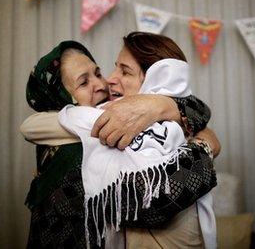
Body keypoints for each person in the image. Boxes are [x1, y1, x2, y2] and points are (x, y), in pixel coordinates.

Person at [22, 40, 218, 248]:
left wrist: (159, 105)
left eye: (97, 73)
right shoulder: (70, 148)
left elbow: (196, 107)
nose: (103, 83)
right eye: (83, 82)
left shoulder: (150, 128)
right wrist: (206, 145)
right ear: (59, 97)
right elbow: (152, 202)